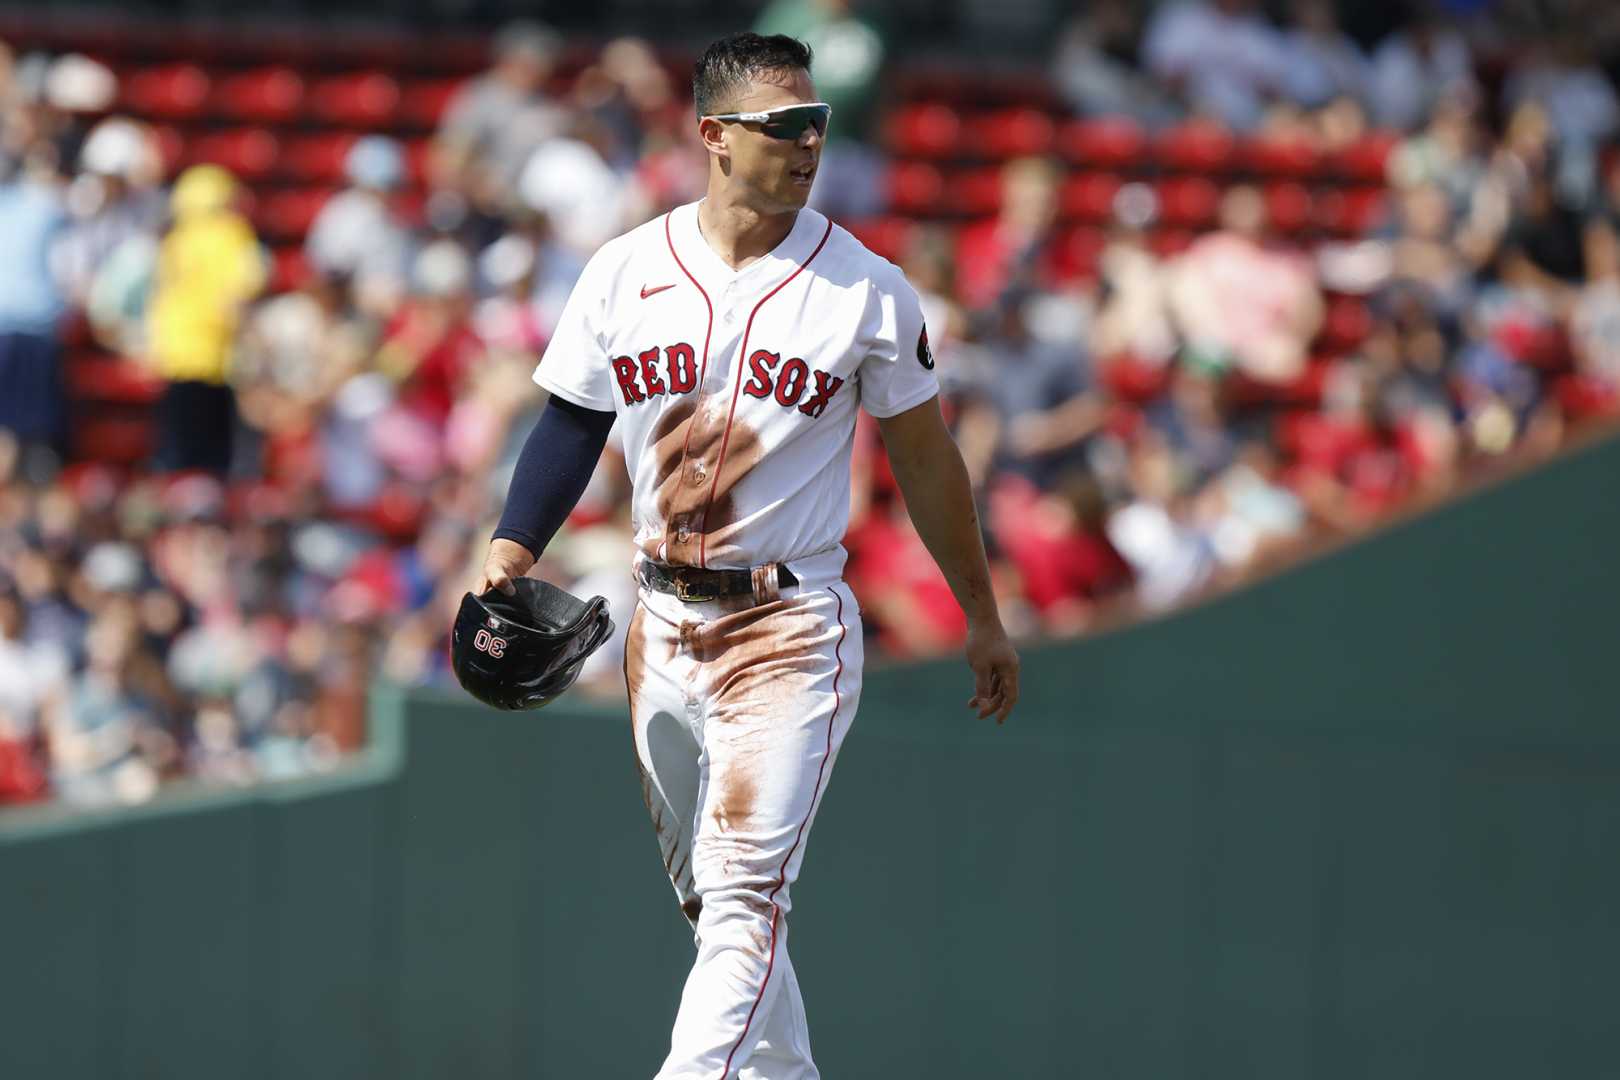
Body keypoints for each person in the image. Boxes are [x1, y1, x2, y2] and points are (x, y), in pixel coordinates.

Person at [472, 32, 1020, 1079]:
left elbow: (927, 460)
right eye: (785, 126)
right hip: (660, 623)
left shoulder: (867, 290)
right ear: (715, 135)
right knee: (719, 913)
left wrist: (982, 614)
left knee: (743, 903)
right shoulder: (626, 268)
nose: (810, 143)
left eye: (818, 123)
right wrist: (512, 548)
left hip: (788, 623)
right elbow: (573, 420)